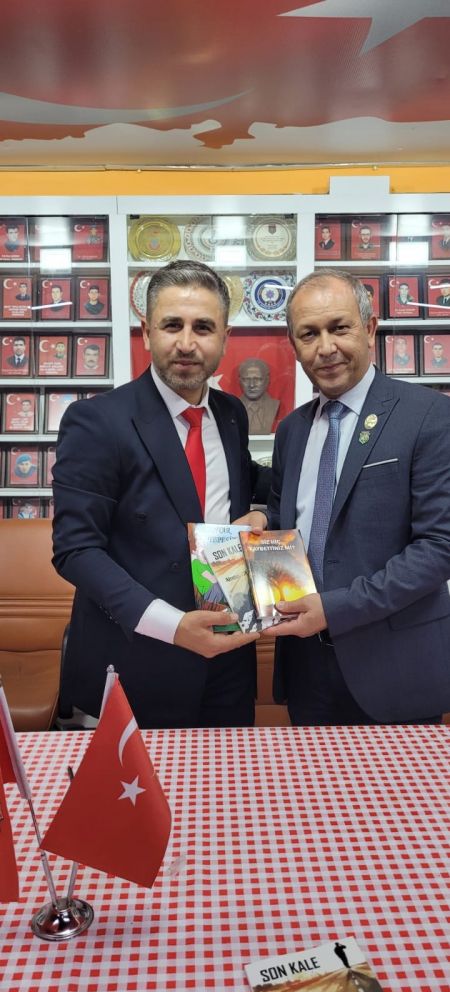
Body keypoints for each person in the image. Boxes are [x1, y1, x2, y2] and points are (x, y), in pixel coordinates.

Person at [52, 260, 265, 729]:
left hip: (228, 663)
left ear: (225, 338)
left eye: (203, 327)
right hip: (135, 664)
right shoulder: (97, 421)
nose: (187, 343)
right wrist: (174, 626)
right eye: (172, 325)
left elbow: (242, 485)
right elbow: (75, 550)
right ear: (147, 333)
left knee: (226, 778)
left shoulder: (231, 414)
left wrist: (264, 514)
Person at [265, 268, 450, 725]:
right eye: (309, 334)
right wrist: (261, 522)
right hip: (305, 663)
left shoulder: (430, 415)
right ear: (294, 345)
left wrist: (335, 609)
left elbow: (439, 547)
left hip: (395, 664)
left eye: (339, 327)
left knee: (403, 777)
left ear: (369, 328)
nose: (325, 347)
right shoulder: (291, 430)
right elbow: (289, 521)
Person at [238, 357, 280, 434]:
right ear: (240, 381)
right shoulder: (233, 407)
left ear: (267, 380)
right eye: (246, 379)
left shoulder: (274, 405)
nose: (252, 385)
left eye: (257, 379)